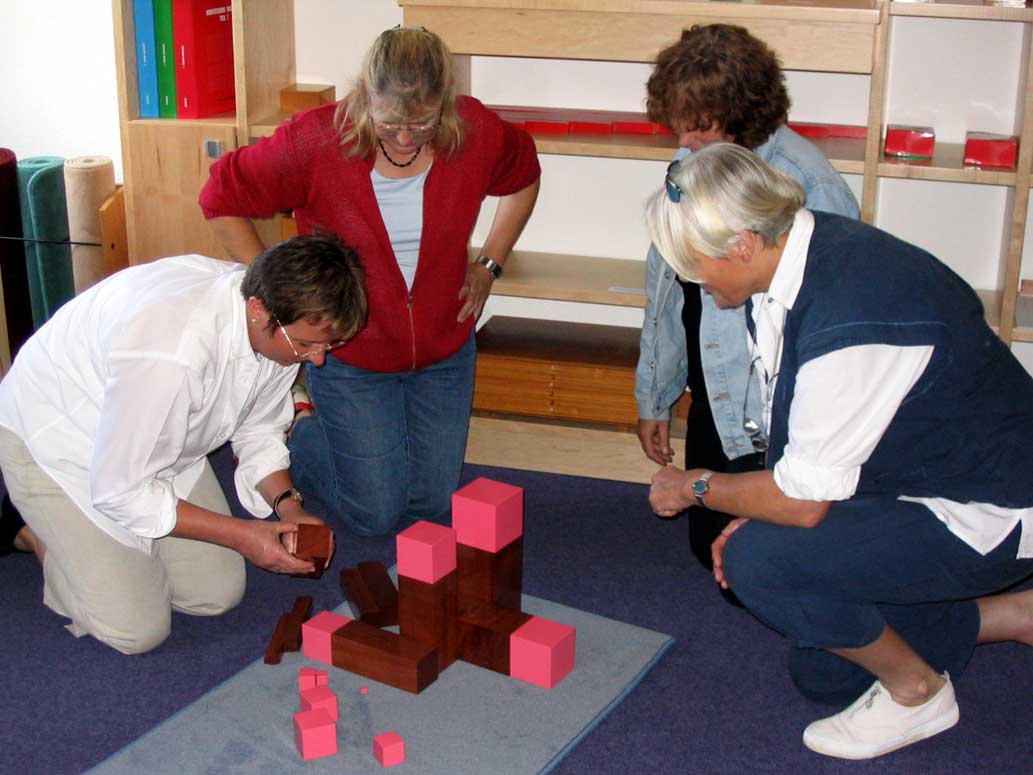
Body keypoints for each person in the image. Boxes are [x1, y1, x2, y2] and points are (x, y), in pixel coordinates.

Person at [645, 142, 1033, 759]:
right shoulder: (803, 251)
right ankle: (1015, 615)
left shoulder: (849, 317)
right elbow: (808, 450)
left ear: (741, 245)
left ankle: (918, 691)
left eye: (694, 266)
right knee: (822, 670)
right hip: (910, 471)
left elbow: (800, 504)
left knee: (758, 564)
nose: (693, 280)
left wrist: (695, 486)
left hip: (992, 507)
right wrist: (757, 505)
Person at [199, 25, 541, 538]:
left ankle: (369, 449)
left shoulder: (476, 130)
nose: (405, 138)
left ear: (445, 103)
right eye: (389, 124)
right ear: (365, 96)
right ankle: (303, 429)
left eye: (421, 125)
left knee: (430, 505)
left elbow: (524, 174)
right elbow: (219, 197)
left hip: (444, 348)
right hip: (352, 354)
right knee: (375, 516)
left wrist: (488, 264)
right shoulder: (314, 140)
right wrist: (275, 290)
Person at [0, 233, 368, 654]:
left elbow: (259, 429)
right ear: (257, 309)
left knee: (215, 595)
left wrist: (290, 506)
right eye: (307, 345)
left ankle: (101, 549)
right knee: (137, 629)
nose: (318, 359)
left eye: (329, 345)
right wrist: (244, 535)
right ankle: (31, 530)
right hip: (58, 442)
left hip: (158, 441)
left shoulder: (279, 328)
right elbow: (120, 488)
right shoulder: (173, 351)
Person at [634, 24, 859, 592]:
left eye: (698, 127)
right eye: (678, 125)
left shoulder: (810, 189)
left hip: (773, 406)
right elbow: (666, 288)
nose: (683, 141)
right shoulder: (694, 164)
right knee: (705, 550)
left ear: (742, 117)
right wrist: (655, 397)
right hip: (718, 391)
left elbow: (833, 334)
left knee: (753, 574)